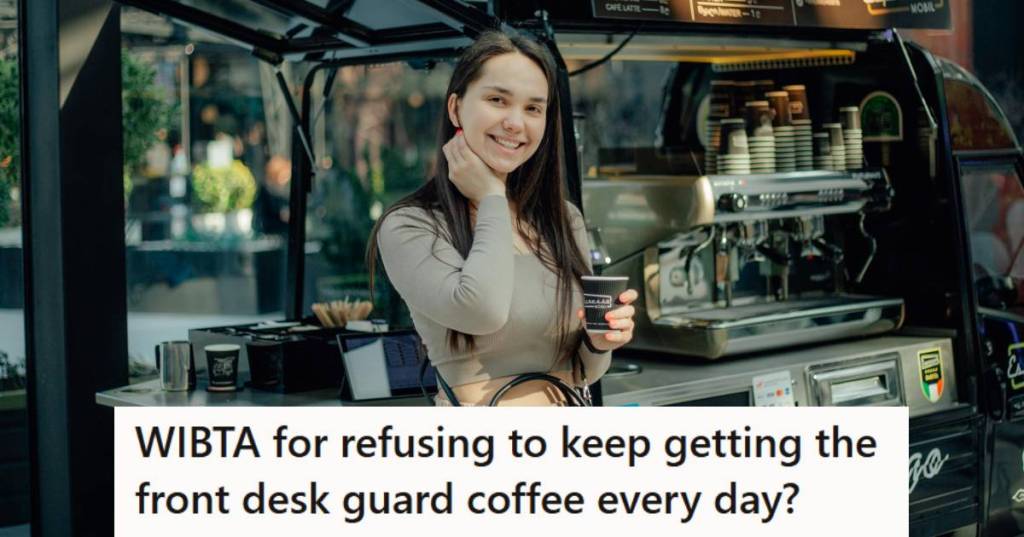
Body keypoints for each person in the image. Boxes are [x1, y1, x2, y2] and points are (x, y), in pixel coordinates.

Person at [368, 30, 638, 406]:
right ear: (455, 108)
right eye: (497, 100)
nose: (515, 122)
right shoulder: (410, 225)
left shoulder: (562, 218)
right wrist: (492, 197)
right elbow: (482, 311)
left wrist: (599, 341)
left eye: (533, 108)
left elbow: (583, 372)